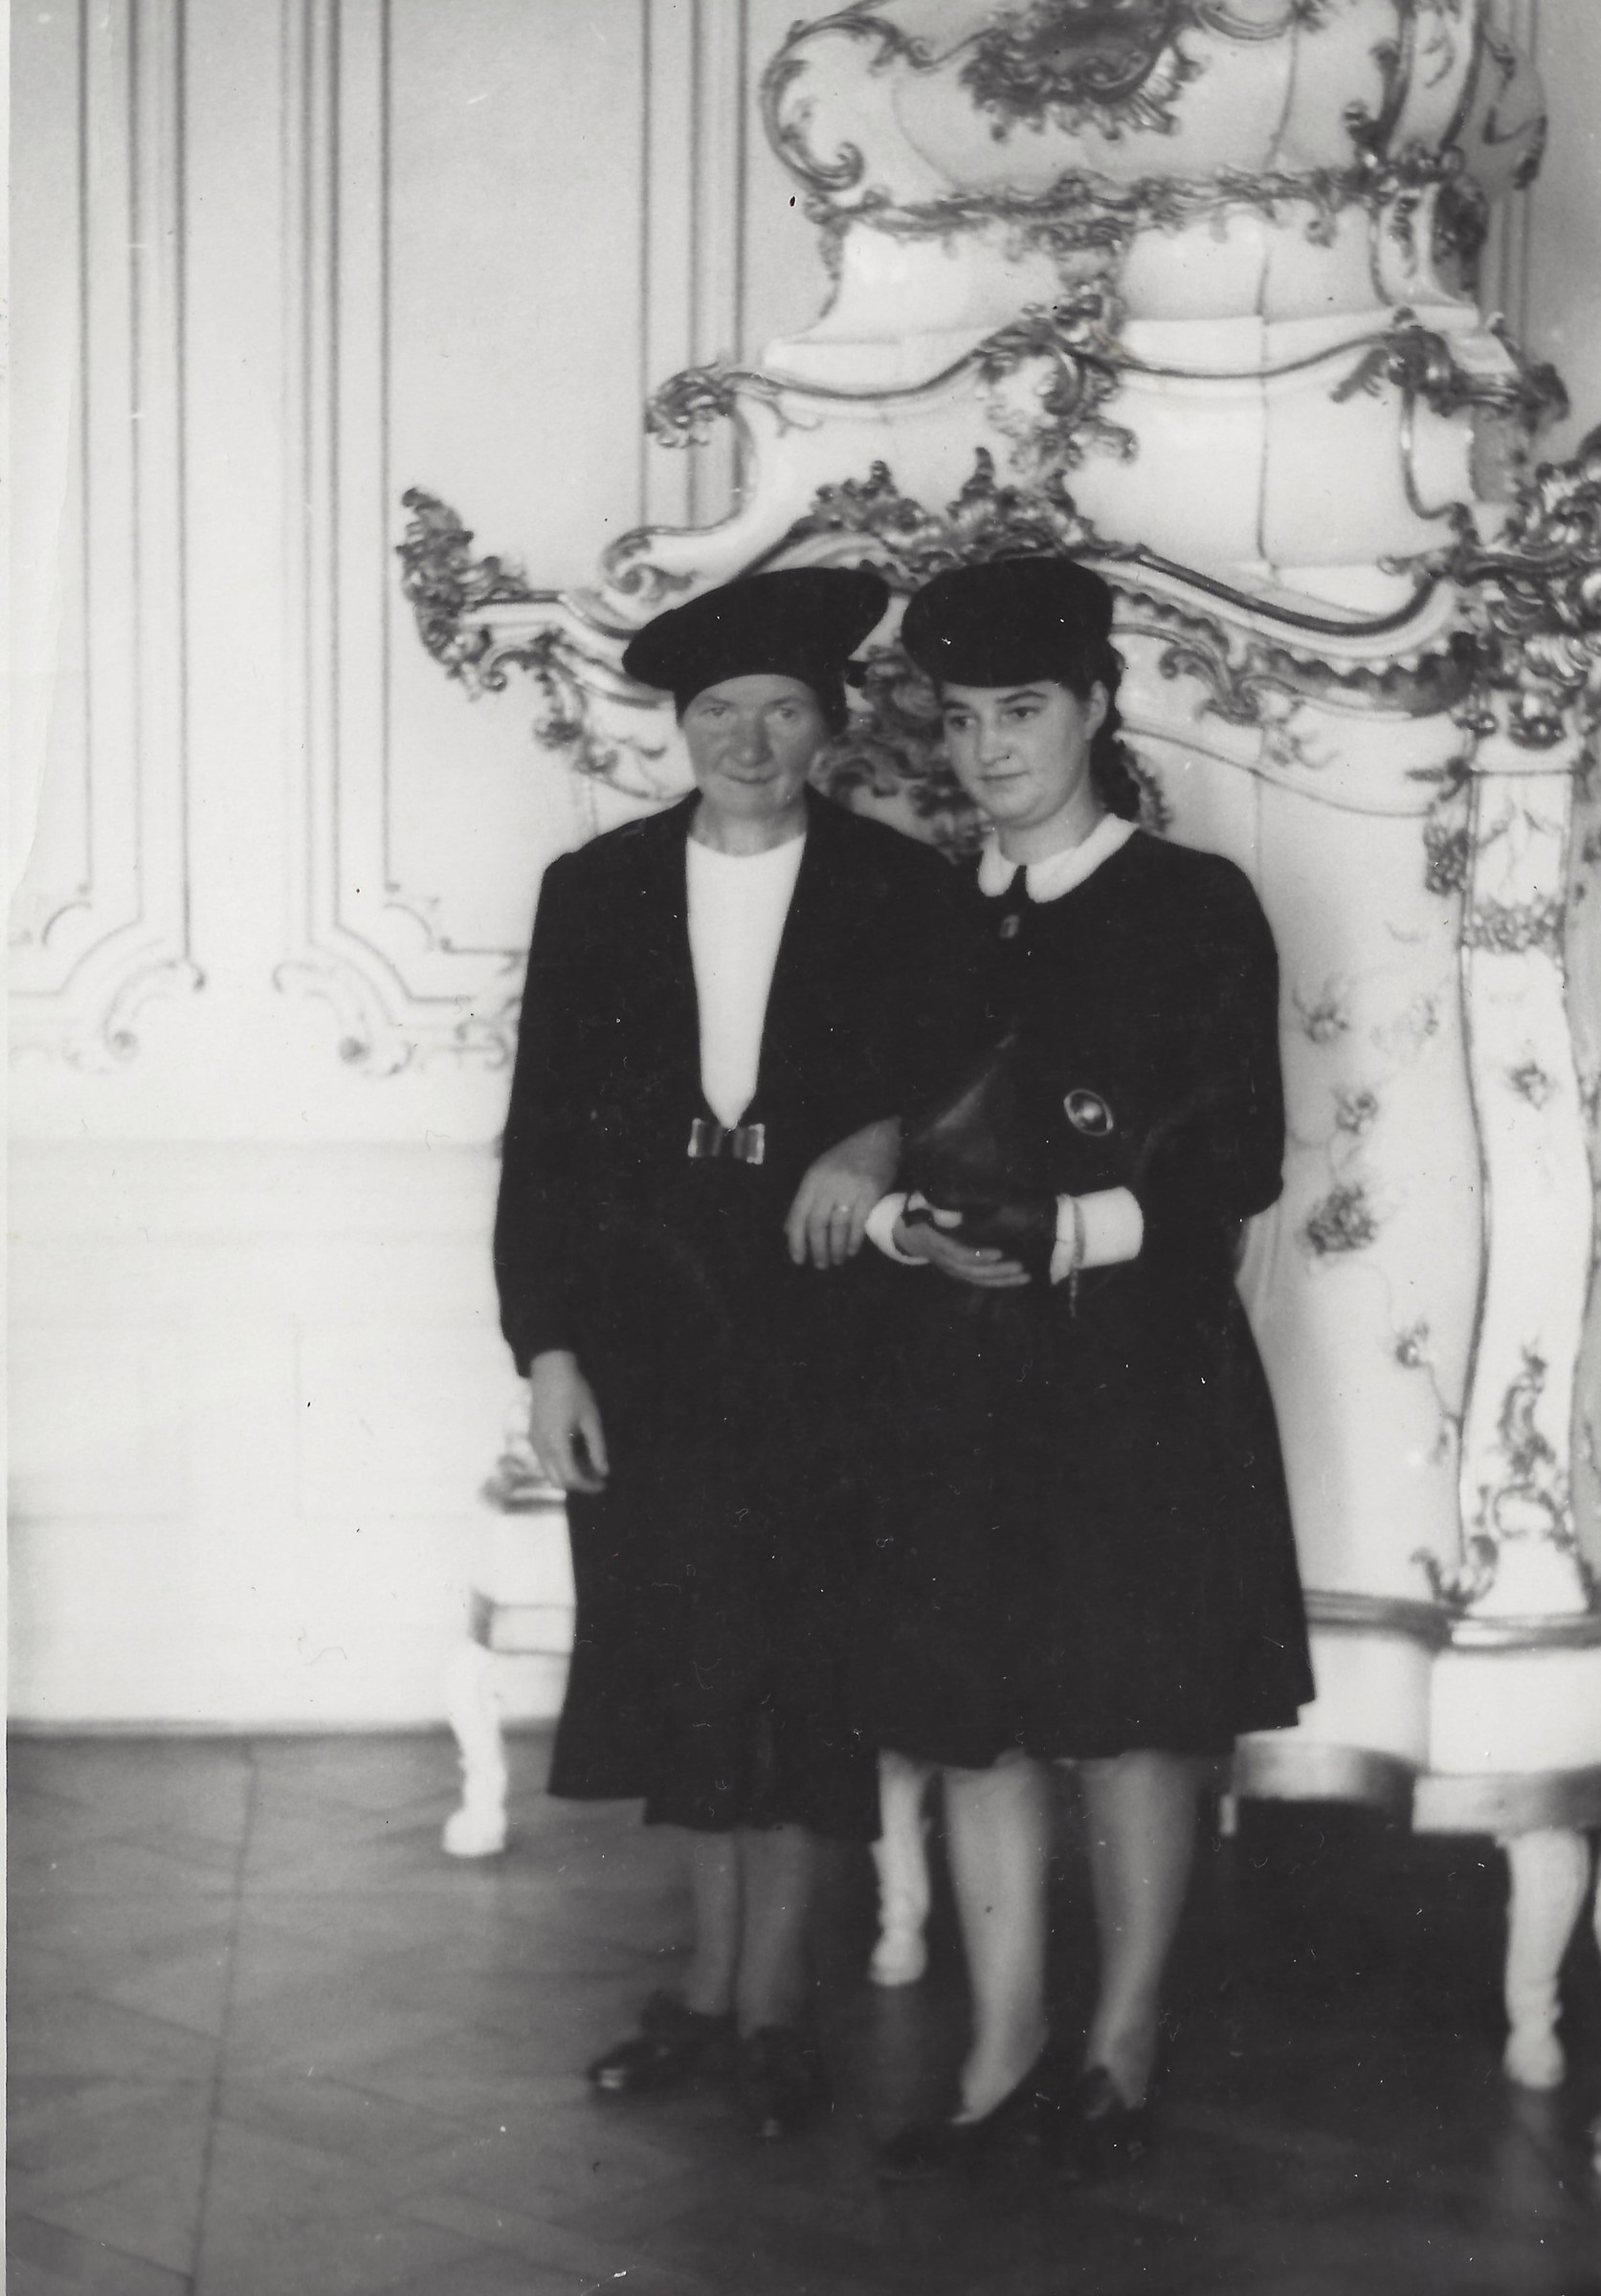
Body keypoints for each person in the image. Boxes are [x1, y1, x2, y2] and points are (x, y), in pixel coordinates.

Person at [493, 565, 984, 2141]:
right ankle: (702, 1995)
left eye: (781, 710)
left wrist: (877, 1136)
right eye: (718, 711)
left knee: (803, 1665)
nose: (749, 741)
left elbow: (972, 1086)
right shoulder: (597, 889)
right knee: (685, 1666)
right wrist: (547, 1350)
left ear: (829, 726)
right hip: (649, 1337)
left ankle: (773, 2009)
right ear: (679, 726)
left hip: (835, 1335)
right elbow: (542, 1143)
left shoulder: (900, 888)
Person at [861, 554, 1314, 2179]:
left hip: (1137, 1371)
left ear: (1096, 708)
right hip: (959, 1369)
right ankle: (998, 2055)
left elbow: (1237, 1158)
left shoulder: (1192, 906)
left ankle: (1117, 2050)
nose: (988, 748)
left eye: (1022, 710)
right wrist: (907, 1230)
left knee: (1132, 1712)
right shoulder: (923, 913)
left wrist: (1066, 1233)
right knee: (974, 1715)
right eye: (961, 718)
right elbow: (873, 1127)